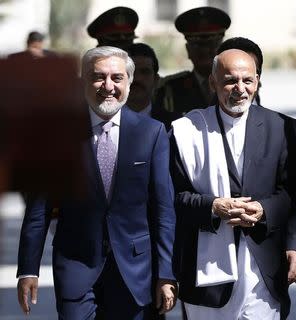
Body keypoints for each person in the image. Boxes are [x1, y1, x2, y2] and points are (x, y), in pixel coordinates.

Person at [16, 46, 177, 319]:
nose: (108, 86)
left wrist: (165, 273)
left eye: (117, 77)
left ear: (128, 82)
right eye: (98, 77)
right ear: (83, 82)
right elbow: (38, 209)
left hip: (135, 270)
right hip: (76, 264)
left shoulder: (152, 133)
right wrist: (28, 269)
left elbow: (164, 210)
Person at [170, 49, 296, 319]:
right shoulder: (186, 130)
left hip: (263, 269)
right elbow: (173, 196)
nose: (240, 89)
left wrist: (265, 211)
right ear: (212, 83)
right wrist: (213, 206)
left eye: (248, 81)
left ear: (258, 81)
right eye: (230, 80)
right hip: (206, 275)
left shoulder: (281, 127)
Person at [154, 6, 230, 118]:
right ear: (188, 50)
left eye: (211, 44)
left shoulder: (236, 84)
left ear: (221, 48)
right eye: (197, 45)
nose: (204, 50)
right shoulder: (169, 89)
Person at [126, 43, 176, 130]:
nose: (137, 79)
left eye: (145, 72)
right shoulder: (103, 122)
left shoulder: (175, 126)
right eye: (130, 72)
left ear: (156, 80)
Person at [216, 37, 264, 106]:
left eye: (247, 79)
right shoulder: (199, 115)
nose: (240, 89)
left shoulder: (272, 116)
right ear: (213, 82)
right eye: (232, 80)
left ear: (257, 81)